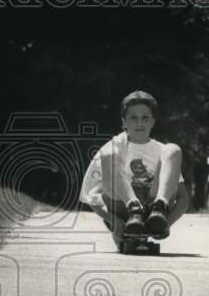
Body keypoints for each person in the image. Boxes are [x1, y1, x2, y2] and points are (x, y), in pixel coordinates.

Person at [79, 90, 189, 250]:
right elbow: (92, 197)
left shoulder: (161, 151)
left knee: (173, 149)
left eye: (145, 118)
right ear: (124, 121)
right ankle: (134, 207)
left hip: (153, 212)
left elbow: (183, 198)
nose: (139, 123)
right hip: (123, 211)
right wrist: (115, 222)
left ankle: (159, 207)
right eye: (133, 118)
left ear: (153, 121)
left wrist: (168, 223)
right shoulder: (113, 148)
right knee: (110, 153)